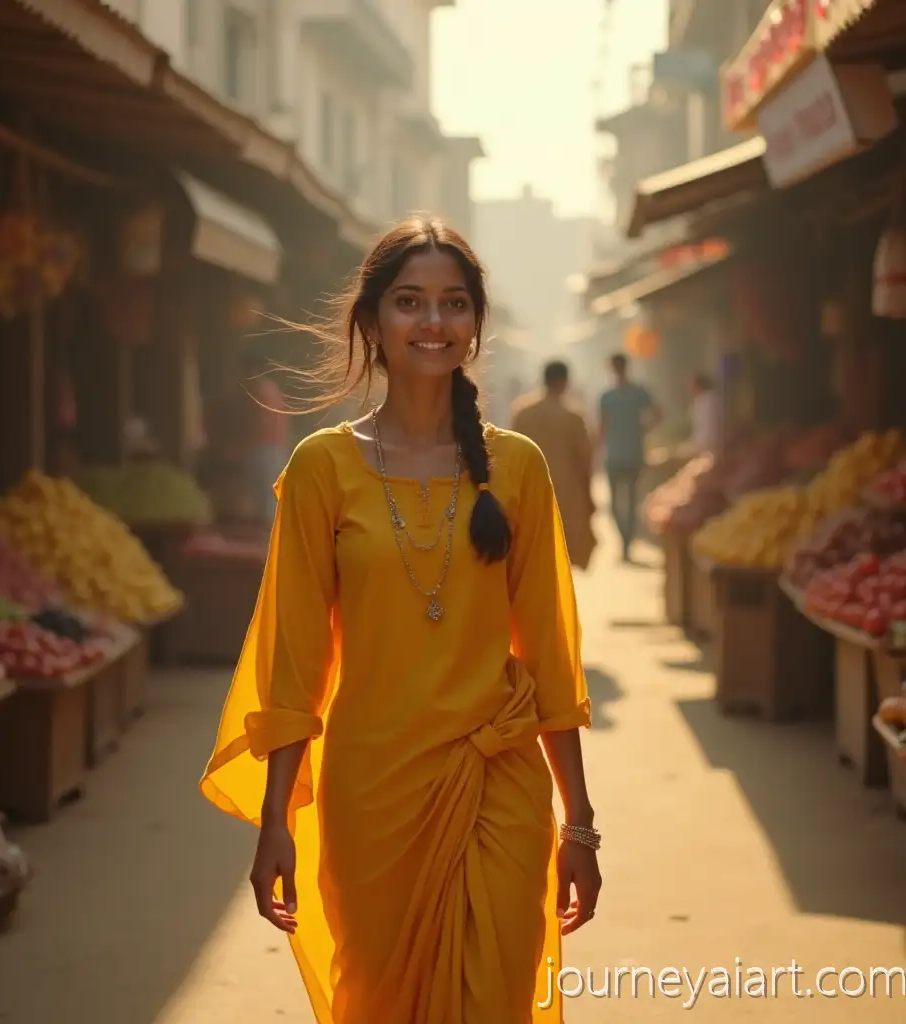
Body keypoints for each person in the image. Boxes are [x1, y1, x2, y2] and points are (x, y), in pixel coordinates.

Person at [200, 217, 600, 1024]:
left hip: (499, 788)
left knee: (497, 1001)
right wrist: (276, 818)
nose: (433, 322)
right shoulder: (323, 468)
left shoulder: (517, 467)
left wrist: (580, 826)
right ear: (372, 321)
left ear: (475, 326)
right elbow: (295, 660)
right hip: (371, 796)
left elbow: (552, 658)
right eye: (410, 301)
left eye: (454, 303)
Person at [511, 360, 597, 570]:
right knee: (562, 555)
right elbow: (585, 462)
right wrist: (589, 498)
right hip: (567, 495)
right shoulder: (573, 417)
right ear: (565, 382)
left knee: (534, 554)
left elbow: (510, 457)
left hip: (530, 493)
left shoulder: (523, 413)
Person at [597, 352, 660, 562]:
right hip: (626, 453)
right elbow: (657, 414)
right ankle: (626, 540)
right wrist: (645, 430)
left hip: (622, 455)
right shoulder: (627, 394)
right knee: (626, 502)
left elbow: (602, 428)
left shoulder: (615, 395)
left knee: (622, 502)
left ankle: (625, 541)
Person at [241, 351, 289, 523]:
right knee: (269, 498)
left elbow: (262, 424)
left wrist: (244, 445)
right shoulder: (270, 389)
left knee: (266, 500)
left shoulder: (261, 391)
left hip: (265, 449)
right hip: (273, 449)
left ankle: (269, 538)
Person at [687, 371, 722, 455]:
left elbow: (706, 429)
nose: (689, 388)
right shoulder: (707, 400)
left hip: (707, 447)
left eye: (691, 385)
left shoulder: (705, 401)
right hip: (705, 445)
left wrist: (694, 447)